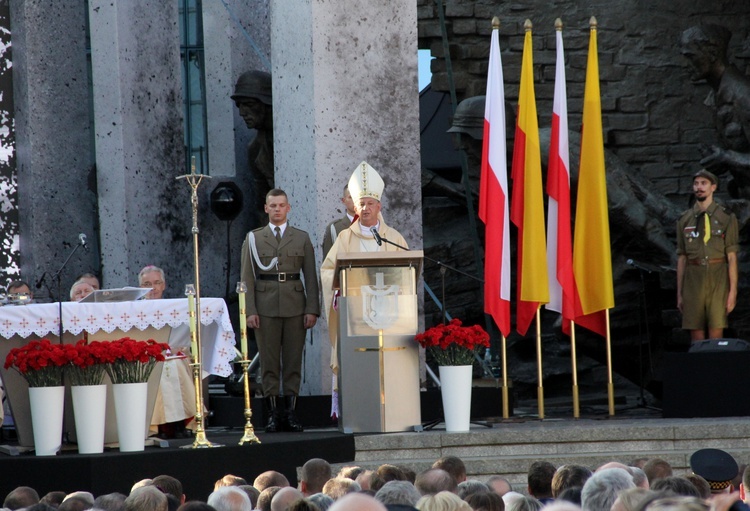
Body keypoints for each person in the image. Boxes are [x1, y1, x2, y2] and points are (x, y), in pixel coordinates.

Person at [319, 162, 409, 397]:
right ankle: (361, 401)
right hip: (356, 313)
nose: (366, 208)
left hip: (389, 314)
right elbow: (328, 270)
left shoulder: (394, 237)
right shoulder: (345, 237)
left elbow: (408, 273)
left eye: (370, 204)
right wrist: (338, 289)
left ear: (379, 206)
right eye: (362, 204)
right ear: (356, 208)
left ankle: (391, 399)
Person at [240, 188, 320, 432]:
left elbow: (310, 277)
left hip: (295, 306)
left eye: (281, 205)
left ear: (288, 208)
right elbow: (246, 278)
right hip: (264, 307)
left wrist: (312, 309)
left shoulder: (301, 238)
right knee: (269, 362)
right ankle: (274, 414)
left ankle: (292, 413)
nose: (277, 209)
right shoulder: (254, 238)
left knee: (294, 361)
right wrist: (249, 310)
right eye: (272, 205)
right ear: (266, 208)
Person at [680, 24, 750, 200]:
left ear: (712, 53)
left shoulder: (743, 95)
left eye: (690, 57)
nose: (685, 65)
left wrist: (727, 157)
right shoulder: (717, 96)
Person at [676, 170, 739, 341]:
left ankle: (715, 366)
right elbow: (681, 258)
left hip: (717, 275)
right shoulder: (685, 219)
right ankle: (698, 365)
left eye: (703, 183)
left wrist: (733, 291)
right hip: (693, 277)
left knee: (716, 331)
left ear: (713, 187)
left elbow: (732, 257)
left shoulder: (726, 217)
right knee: (695, 331)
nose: (699, 187)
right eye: (696, 184)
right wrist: (679, 293)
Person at [139, 265, 196, 439]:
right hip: (145, 357)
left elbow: (185, 338)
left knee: (175, 363)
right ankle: (161, 427)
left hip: (172, 355)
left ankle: (181, 423)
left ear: (164, 285)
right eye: (147, 283)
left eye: (157, 283)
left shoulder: (175, 309)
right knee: (163, 367)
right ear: (140, 287)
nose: (153, 288)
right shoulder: (133, 310)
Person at [232, 70, 274, 198]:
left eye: (249, 104)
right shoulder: (255, 149)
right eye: (239, 106)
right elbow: (263, 207)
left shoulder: (296, 140)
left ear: (267, 103)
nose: (242, 113)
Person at [322, 185, 357, 258]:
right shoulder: (334, 228)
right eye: (351, 197)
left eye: (358, 197)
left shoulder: (372, 226)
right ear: (343, 201)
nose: (355, 200)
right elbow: (328, 261)